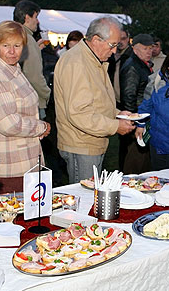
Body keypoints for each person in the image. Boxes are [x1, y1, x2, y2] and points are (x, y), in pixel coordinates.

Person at [54, 16, 135, 183]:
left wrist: (119, 114)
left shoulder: (92, 59)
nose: (114, 51)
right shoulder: (77, 63)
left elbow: (98, 101)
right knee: (84, 199)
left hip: (90, 143)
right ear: (96, 39)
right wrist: (115, 126)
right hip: (81, 145)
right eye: (112, 45)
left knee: (92, 195)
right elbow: (80, 114)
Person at [0, 21, 51, 194]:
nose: (12, 51)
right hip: (8, 167)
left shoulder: (13, 69)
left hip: (24, 163)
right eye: (6, 45)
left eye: (17, 45)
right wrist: (41, 127)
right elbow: (8, 124)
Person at [119, 33, 155, 173]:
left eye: (151, 48)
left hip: (141, 117)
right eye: (145, 48)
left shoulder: (141, 64)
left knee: (140, 160)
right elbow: (129, 96)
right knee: (133, 162)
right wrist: (132, 125)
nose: (149, 51)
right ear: (134, 49)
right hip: (135, 120)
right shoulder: (133, 67)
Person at [13, 0, 51, 118]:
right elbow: (34, 77)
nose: (38, 21)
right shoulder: (28, 41)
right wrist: (48, 94)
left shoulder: (14, 36)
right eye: (36, 17)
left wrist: (36, 49)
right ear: (27, 17)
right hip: (32, 102)